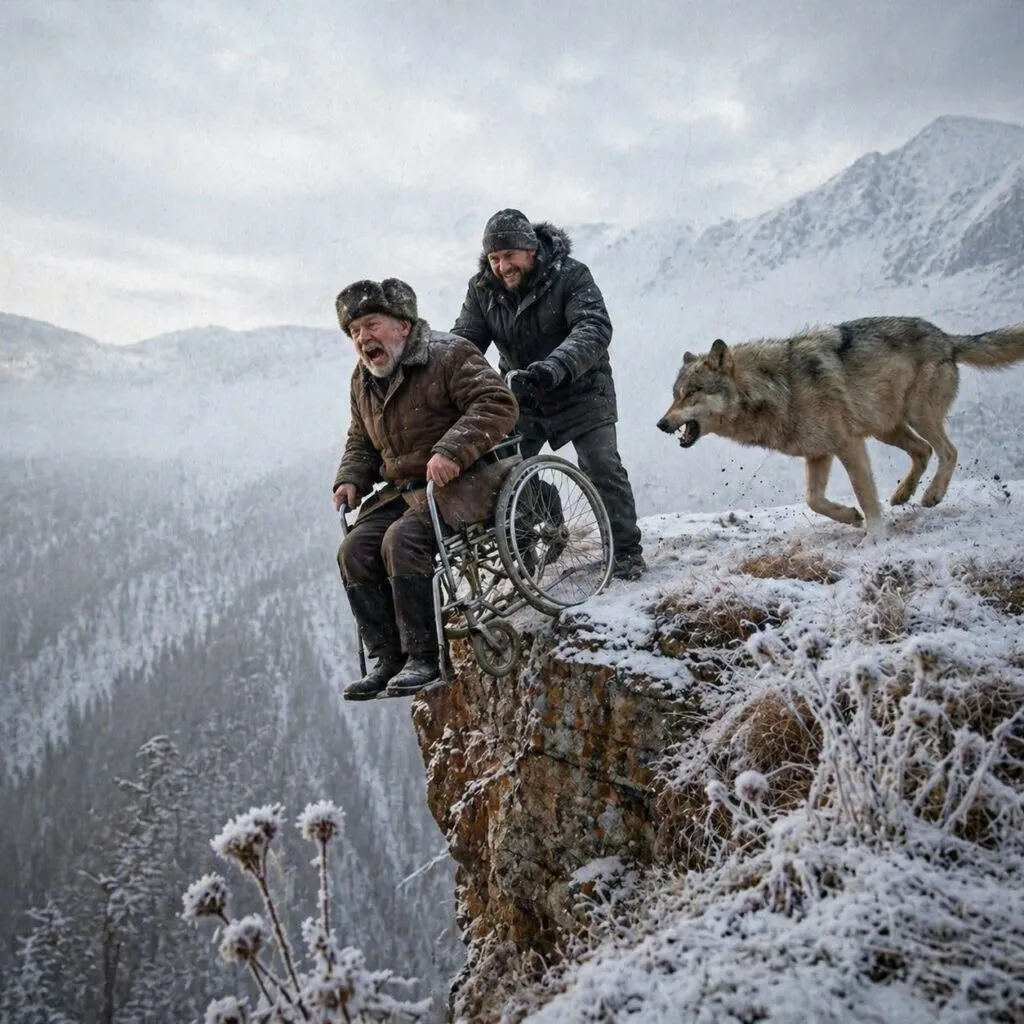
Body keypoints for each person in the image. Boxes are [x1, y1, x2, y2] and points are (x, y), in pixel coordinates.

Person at [331, 277, 519, 700]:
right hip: (405, 490)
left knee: (402, 541)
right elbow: (361, 439)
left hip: (468, 478)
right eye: (354, 331)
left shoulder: (448, 354)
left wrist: (452, 450)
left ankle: (424, 657)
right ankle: (388, 659)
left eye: (371, 324)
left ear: (403, 324)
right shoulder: (363, 380)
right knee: (354, 551)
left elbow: (497, 403)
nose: (363, 338)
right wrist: (350, 478)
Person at [451, 209, 646, 580]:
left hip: (581, 388)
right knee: (501, 471)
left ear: (531, 249)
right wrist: (440, 365)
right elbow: (466, 341)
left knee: (601, 465)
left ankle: (626, 552)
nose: (502, 266)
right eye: (494, 259)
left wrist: (556, 366)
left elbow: (593, 327)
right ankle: (538, 519)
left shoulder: (571, 275)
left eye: (510, 256)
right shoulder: (482, 290)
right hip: (523, 394)